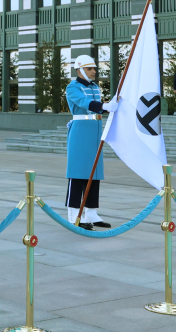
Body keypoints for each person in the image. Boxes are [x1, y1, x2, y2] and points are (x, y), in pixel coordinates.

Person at [66, 55, 119, 229]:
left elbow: (97, 106)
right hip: (81, 130)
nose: (94, 71)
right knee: (78, 172)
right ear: (80, 70)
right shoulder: (72, 87)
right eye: (90, 69)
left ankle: (91, 213)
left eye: (94, 68)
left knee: (94, 173)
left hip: (95, 129)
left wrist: (109, 105)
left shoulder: (95, 87)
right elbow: (83, 102)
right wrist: (103, 106)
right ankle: (74, 214)